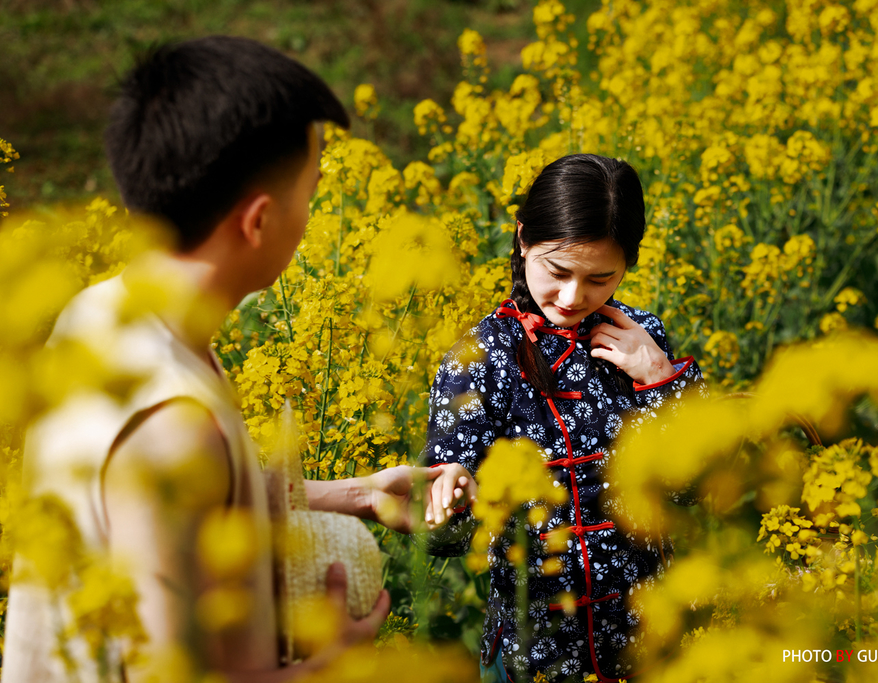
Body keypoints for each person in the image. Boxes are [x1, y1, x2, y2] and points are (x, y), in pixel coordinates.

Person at [2, 36, 442, 683]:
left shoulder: (101, 313)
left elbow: (166, 521)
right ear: (258, 220)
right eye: (312, 191)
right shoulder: (174, 424)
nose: (314, 210)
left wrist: (357, 493)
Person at [423, 154, 707, 683]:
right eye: (557, 272)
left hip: (650, 643)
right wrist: (452, 493)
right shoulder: (482, 356)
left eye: (601, 278)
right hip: (538, 654)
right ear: (524, 238)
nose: (573, 297)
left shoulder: (641, 336)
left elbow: (692, 487)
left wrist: (660, 377)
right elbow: (443, 535)